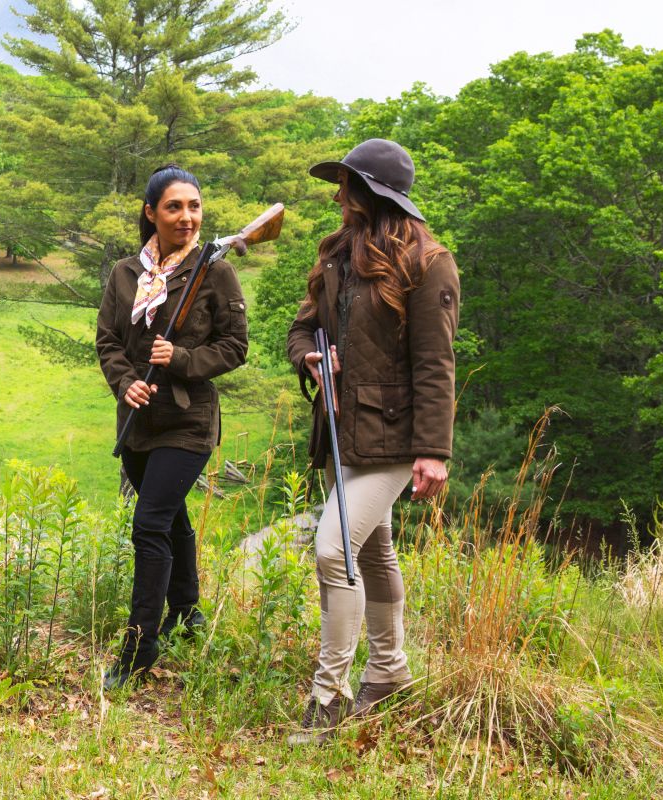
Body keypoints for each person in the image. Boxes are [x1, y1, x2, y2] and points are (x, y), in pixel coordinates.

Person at [284, 138, 459, 745]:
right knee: (374, 552)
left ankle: (327, 697)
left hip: (395, 437)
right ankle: (389, 671)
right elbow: (302, 324)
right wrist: (309, 356)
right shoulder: (336, 252)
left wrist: (433, 451)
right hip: (340, 429)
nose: (337, 196)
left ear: (370, 194)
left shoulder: (429, 261)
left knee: (335, 550)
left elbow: (437, 365)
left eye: (345, 185)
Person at [94, 165, 248, 690]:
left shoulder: (215, 272)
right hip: (137, 422)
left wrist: (179, 358)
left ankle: (140, 647)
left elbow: (235, 347)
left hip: (187, 422)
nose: (187, 217)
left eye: (194, 207)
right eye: (174, 207)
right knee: (173, 516)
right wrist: (125, 384)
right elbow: (108, 342)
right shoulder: (123, 273)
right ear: (151, 213)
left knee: (150, 525)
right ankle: (187, 610)